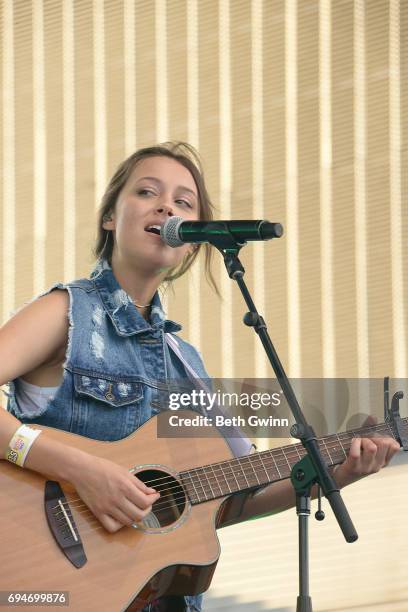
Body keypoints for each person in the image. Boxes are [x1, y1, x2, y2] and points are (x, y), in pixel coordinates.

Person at [0, 142, 400, 612]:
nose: (167, 205)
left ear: (191, 239)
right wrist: (81, 470)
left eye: (184, 203)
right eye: (147, 192)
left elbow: (230, 500)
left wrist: (337, 472)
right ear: (110, 216)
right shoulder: (68, 311)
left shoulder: (186, 364)